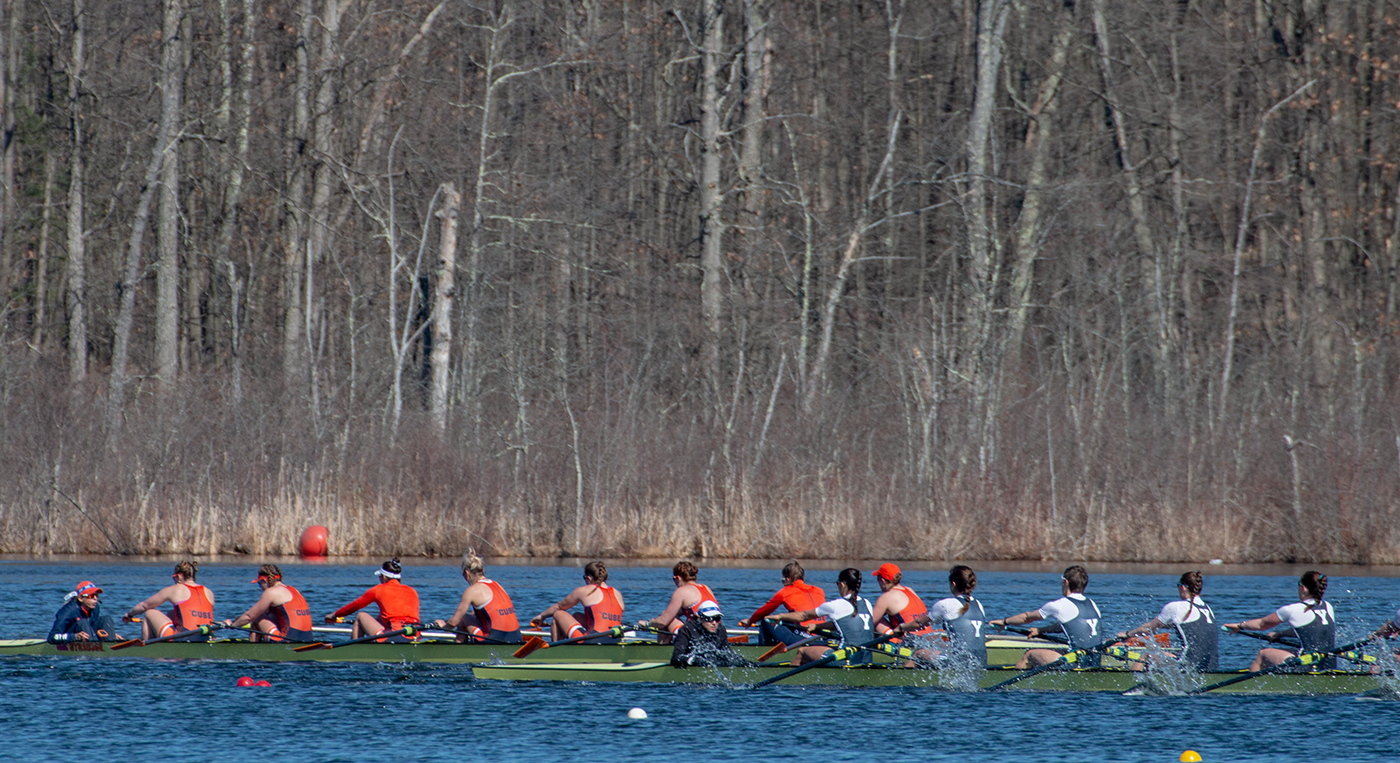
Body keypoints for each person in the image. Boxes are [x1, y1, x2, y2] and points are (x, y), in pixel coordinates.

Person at [990, 565, 1106, 668]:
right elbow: (1071, 627)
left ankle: (1015, 689)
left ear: (1065, 582)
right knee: (1062, 650)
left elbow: (1027, 618)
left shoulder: (1058, 605)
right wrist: (1041, 630)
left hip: (1075, 662)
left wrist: (1004, 621)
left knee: (1029, 654)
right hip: (1094, 660)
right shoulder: (1092, 604)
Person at [1223, 570, 1336, 671]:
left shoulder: (1293, 609)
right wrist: (1279, 634)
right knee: (1290, 652)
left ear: (1303, 588)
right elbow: (1311, 630)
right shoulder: (1328, 607)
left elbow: (1262, 624)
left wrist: (1239, 626)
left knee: (1263, 654)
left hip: (1307, 665)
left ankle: (1249, 687)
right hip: (1329, 664)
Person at [765, 568, 875, 666]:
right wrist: (817, 627)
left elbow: (804, 615)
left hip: (844, 659)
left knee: (802, 651)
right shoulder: (867, 604)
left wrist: (780, 616)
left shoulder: (836, 605)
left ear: (842, 584)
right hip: (867, 658)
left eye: (837, 584)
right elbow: (848, 625)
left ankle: (791, 686)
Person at [1116, 570, 1218, 671]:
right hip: (1211, 666)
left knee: (1147, 654)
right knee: (1172, 654)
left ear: (1182, 587)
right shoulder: (1208, 609)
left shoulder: (1176, 607)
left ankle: (1131, 684)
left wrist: (1127, 634)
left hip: (1188, 667)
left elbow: (1146, 628)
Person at [892, 565, 987, 667]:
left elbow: (919, 624)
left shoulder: (945, 604)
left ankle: (901, 680)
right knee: (938, 649)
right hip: (981, 660)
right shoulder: (979, 604)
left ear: (953, 584)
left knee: (918, 653)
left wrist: (901, 628)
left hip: (960, 661)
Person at [429, 551, 523, 644]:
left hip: (495, 640)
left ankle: (458, 654)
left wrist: (443, 626)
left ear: (467, 573)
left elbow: (453, 623)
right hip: (516, 638)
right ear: (483, 570)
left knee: (463, 618)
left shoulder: (471, 591)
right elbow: (491, 611)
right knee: (472, 615)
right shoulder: (498, 585)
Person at [530, 560, 626, 643]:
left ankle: (556, 652)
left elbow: (559, 606)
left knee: (558, 614)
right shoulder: (618, 594)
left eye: (584, 578)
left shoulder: (585, 590)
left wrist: (541, 616)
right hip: (615, 640)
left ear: (589, 578)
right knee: (577, 616)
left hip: (593, 640)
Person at [327, 558, 421, 640]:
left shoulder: (378, 589)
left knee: (360, 616)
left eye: (380, 576)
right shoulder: (412, 591)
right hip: (415, 635)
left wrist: (335, 615)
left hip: (394, 636)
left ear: (383, 577)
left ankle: (354, 652)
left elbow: (354, 606)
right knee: (382, 617)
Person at [737, 561, 826, 647]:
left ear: (787, 579)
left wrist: (750, 621)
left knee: (766, 620)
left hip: (804, 638)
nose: (783, 583)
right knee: (786, 619)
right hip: (821, 638)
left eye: (782, 580)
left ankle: (763, 649)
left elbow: (763, 611)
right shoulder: (819, 591)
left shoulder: (786, 592)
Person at [124, 560, 216, 641]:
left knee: (149, 612)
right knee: (171, 613)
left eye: (174, 577)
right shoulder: (209, 592)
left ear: (179, 576)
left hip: (183, 638)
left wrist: (129, 615)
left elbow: (143, 605)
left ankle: (148, 648)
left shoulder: (175, 589)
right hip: (207, 637)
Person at [222, 564, 314, 643]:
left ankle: (251, 655)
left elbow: (249, 617)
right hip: (308, 639)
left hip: (286, 640)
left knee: (257, 617)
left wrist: (232, 625)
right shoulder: (294, 590)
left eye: (259, 584)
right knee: (260, 618)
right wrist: (239, 621)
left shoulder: (271, 592)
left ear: (265, 581)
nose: (260, 587)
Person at [638, 561, 719, 644]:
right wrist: (656, 621)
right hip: (715, 633)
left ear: (678, 578)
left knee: (665, 617)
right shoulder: (706, 588)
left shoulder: (681, 592)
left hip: (696, 637)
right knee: (666, 616)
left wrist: (647, 624)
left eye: (674, 579)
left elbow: (663, 621)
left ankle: (662, 650)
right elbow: (682, 611)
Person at [670, 600, 749, 668]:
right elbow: (676, 657)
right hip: (693, 668)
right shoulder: (687, 629)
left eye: (717, 619)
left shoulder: (721, 630)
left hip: (712, 663)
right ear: (699, 618)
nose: (714, 623)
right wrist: (692, 660)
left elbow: (727, 653)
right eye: (709, 619)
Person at [49, 581, 122, 644]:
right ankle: (94, 648)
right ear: (80, 598)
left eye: (97, 595)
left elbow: (93, 629)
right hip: (69, 638)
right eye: (92, 596)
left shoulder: (95, 607)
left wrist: (110, 633)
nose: (95, 599)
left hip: (88, 637)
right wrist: (74, 636)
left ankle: (111, 643)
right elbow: (52, 637)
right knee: (83, 622)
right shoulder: (67, 612)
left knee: (106, 619)